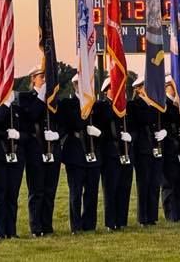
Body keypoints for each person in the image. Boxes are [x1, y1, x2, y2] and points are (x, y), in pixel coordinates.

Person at [16, 66, 62, 237]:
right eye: (41, 76)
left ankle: (47, 226)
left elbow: (62, 121)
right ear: (33, 79)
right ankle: (36, 228)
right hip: (35, 149)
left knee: (50, 190)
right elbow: (31, 116)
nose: (44, 80)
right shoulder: (25, 97)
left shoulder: (54, 99)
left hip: (52, 149)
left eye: (46, 76)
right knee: (37, 191)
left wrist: (57, 135)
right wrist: (42, 97)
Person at [58, 73, 102, 233]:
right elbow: (72, 123)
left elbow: (104, 123)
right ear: (75, 85)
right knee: (75, 192)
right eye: (79, 84)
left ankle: (89, 224)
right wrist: (84, 124)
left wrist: (99, 132)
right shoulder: (68, 104)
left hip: (93, 151)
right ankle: (76, 226)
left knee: (92, 192)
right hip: (75, 152)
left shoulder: (95, 105)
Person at [0, 84, 24, 240]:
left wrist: (19, 135)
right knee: (0, 195)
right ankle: (0, 232)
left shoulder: (16, 111)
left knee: (12, 195)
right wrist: (5, 105)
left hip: (15, 156)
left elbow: (26, 132)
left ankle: (12, 231)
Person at [96, 77, 134, 230]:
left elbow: (135, 126)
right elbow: (102, 129)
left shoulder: (126, 107)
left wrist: (130, 136)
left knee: (124, 187)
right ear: (106, 91)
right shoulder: (102, 106)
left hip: (126, 151)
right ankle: (111, 222)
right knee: (111, 188)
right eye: (114, 87)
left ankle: (122, 221)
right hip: (111, 152)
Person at [127, 76, 163, 227]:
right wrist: (150, 107)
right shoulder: (134, 105)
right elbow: (142, 120)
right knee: (144, 184)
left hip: (155, 147)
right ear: (138, 89)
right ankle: (143, 217)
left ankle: (152, 216)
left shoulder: (156, 105)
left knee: (155, 183)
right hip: (142, 149)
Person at [160, 76, 180, 222]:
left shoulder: (177, 105)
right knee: (169, 183)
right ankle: (171, 214)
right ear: (166, 87)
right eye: (173, 86)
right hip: (167, 148)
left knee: (179, 182)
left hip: (179, 148)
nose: (177, 90)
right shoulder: (162, 104)